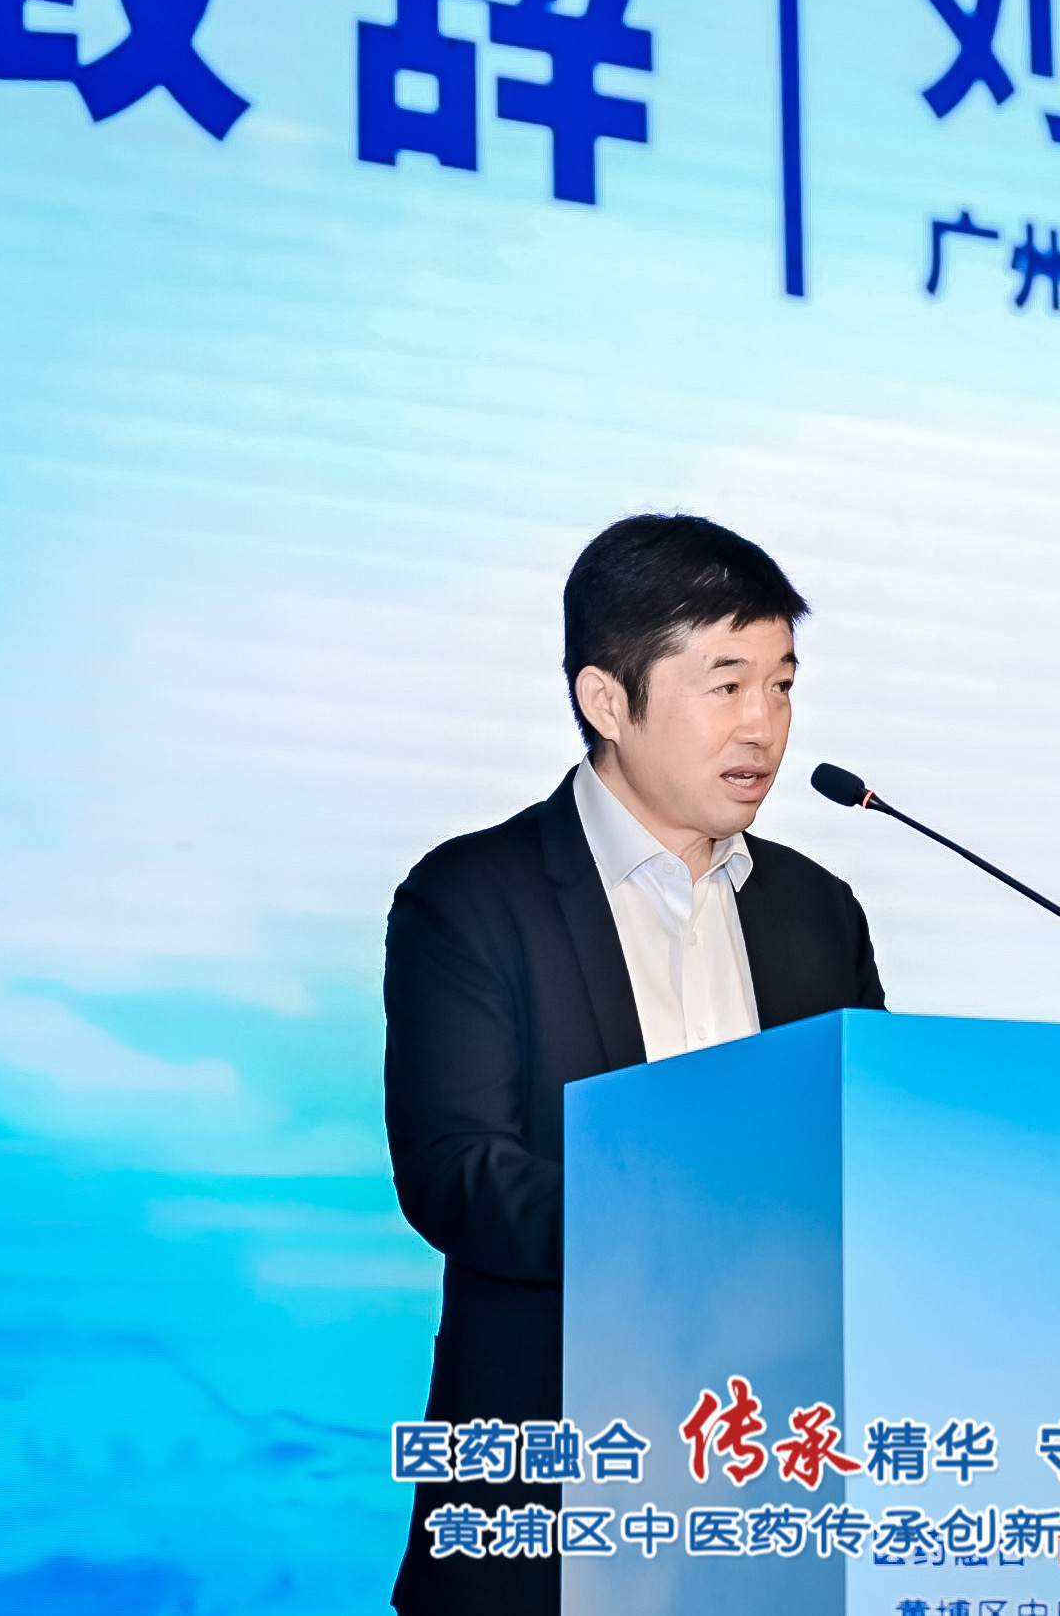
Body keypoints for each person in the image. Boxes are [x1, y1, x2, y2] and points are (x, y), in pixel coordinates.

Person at [382, 514, 885, 1613]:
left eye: (782, 686)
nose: (763, 725)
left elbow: (868, 1156)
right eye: (725, 684)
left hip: (774, 1483)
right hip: (553, 1482)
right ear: (606, 700)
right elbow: (457, 1171)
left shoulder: (816, 913)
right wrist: (702, 1228)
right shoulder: (474, 897)